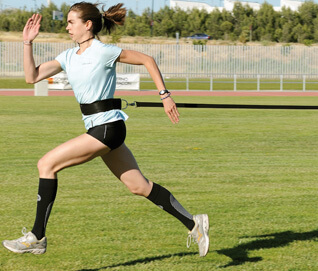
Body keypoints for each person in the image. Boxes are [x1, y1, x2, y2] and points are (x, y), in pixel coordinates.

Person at [2, 2, 209, 256]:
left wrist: (165, 95)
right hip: (101, 128)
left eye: (71, 22)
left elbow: (147, 59)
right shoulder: (67, 57)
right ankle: (194, 223)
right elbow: (31, 77)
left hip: (107, 128)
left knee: (46, 164)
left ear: (87, 25)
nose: (67, 27)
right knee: (139, 186)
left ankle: (37, 236)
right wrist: (27, 43)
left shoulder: (103, 51)